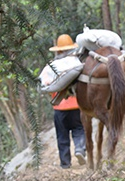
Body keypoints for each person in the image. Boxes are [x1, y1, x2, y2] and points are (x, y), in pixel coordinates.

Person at [49, 34, 86, 169]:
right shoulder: (76, 64)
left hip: (59, 109)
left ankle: (65, 163)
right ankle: (80, 149)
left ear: (58, 50)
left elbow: (46, 84)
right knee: (79, 130)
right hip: (77, 106)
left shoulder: (52, 66)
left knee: (62, 136)